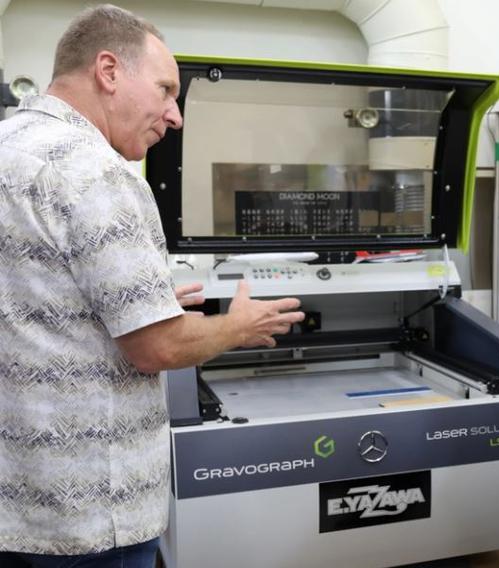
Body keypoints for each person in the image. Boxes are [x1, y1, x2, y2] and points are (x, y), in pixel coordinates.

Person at [0, 5, 305, 567]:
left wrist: (144, 301)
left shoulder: (9, 144)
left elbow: (35, 299)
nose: (175, 115)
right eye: (166, 90)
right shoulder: (99, 172)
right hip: (92, 514)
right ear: (109, 71)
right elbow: (156, 348)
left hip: (16, 500)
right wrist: (239, 325)